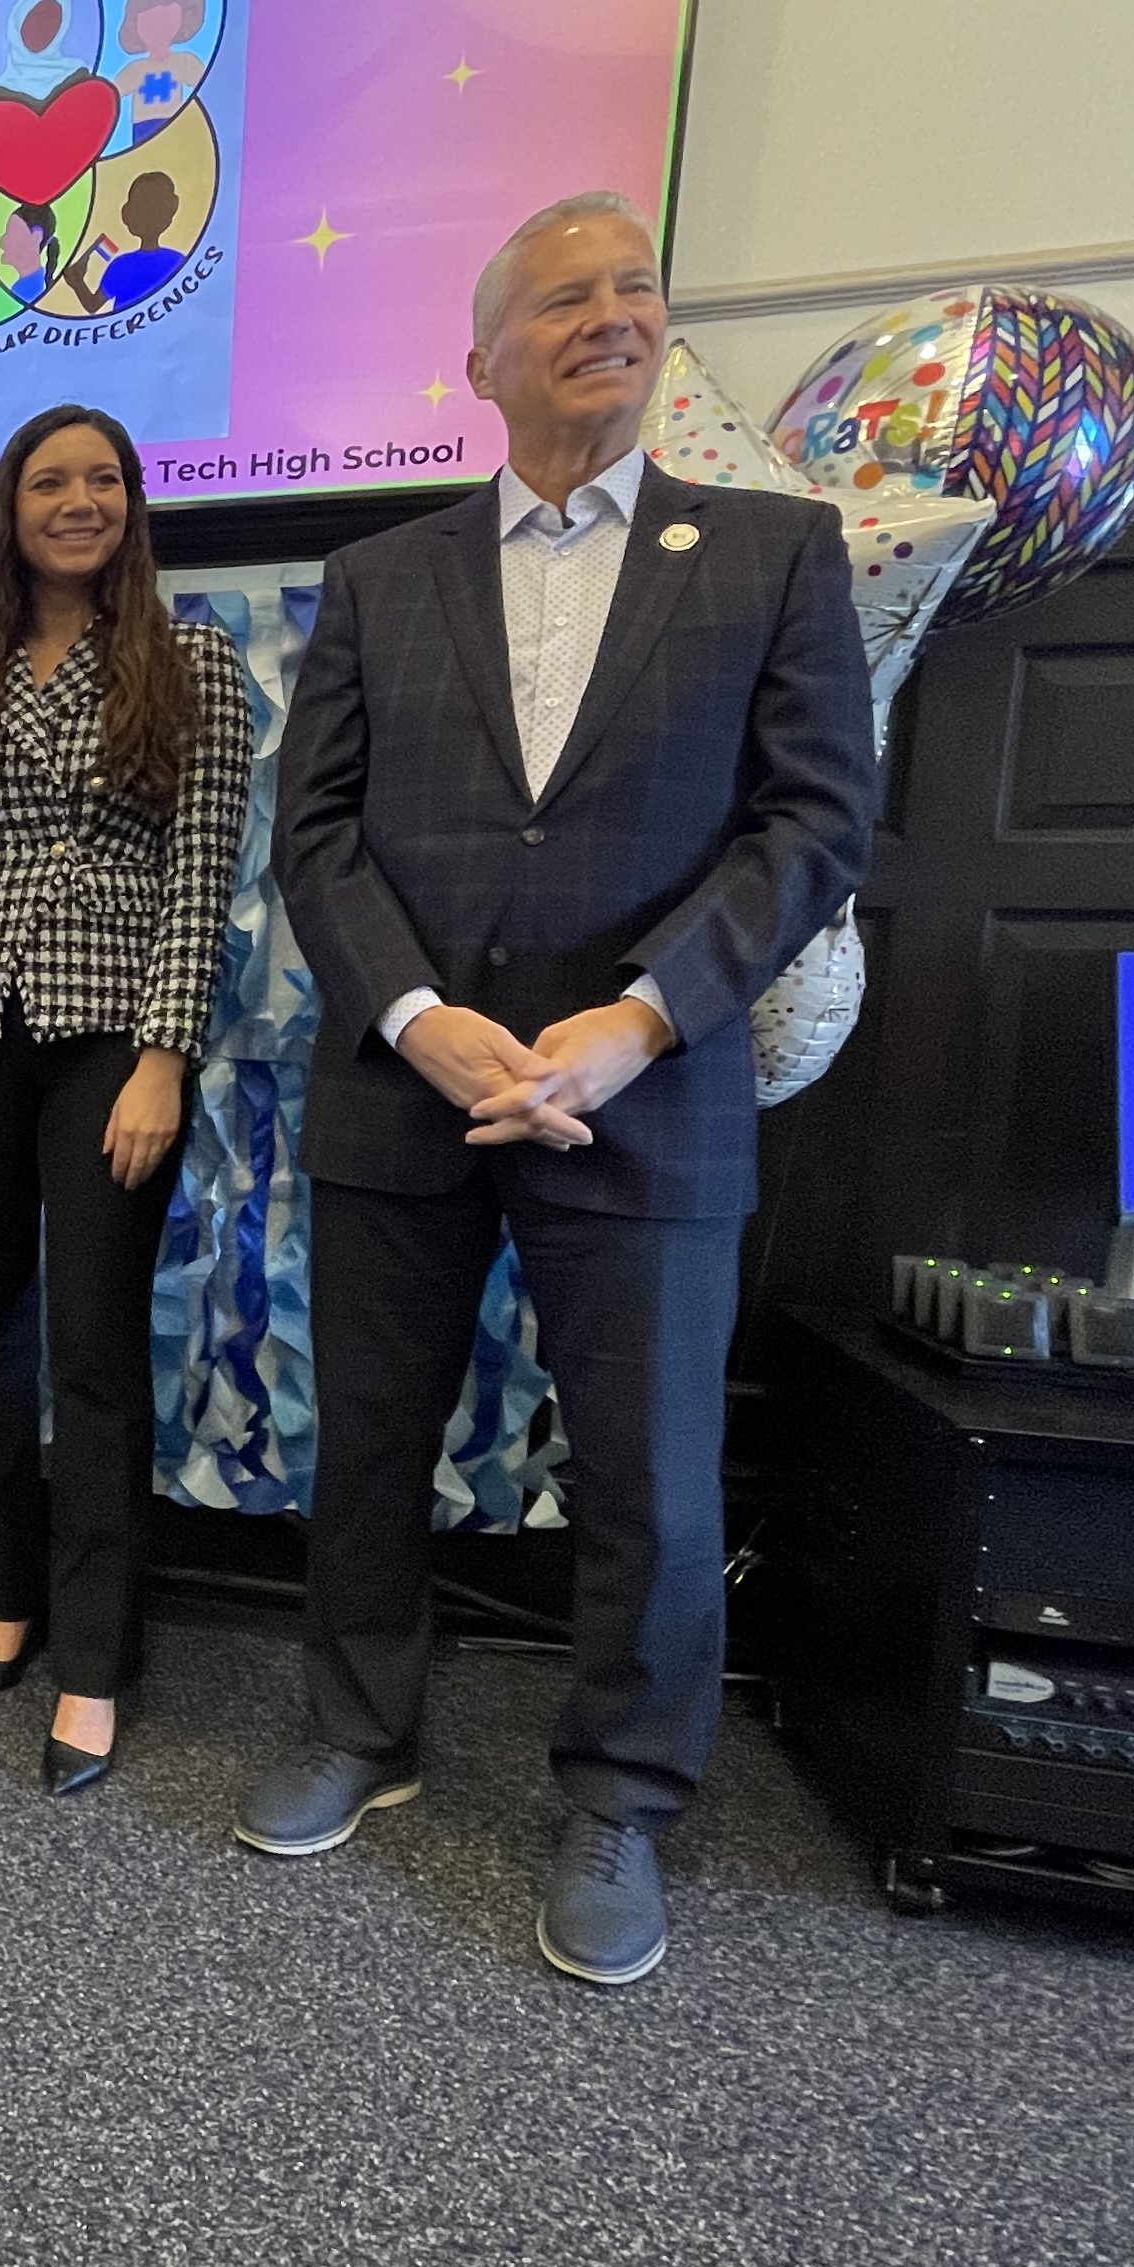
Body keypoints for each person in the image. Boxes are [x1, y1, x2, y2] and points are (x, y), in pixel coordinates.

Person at [243, 191, 874, 1985]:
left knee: (655, 1478)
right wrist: (416, 1014)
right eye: (562, 295)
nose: (610, 313)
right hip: (407, 1087)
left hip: (648, 1090)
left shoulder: (772, 553)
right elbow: (315, 834)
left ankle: (620, 1795)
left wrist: (641, 1020)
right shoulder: (380, 576)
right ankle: (358, 1728)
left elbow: (815, 822)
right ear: (482, 362)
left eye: (634, 287)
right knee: (370, 1439)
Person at [0, 404, 252, 1794]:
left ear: (132, 504)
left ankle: (93, 1653)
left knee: (91, 1345)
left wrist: (164, 1055)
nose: (78, 501)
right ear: (10, 509)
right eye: (50, 481)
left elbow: (202, 878)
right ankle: (6, 1590)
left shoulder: (191, 660)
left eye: (103, 480)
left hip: (109, 1035)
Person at [78, 173, 188, 312]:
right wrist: (77, 282)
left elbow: (92, 305)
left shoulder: (122, 265)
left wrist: (77, 282)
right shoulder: (177, 261)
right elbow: (93, 306)